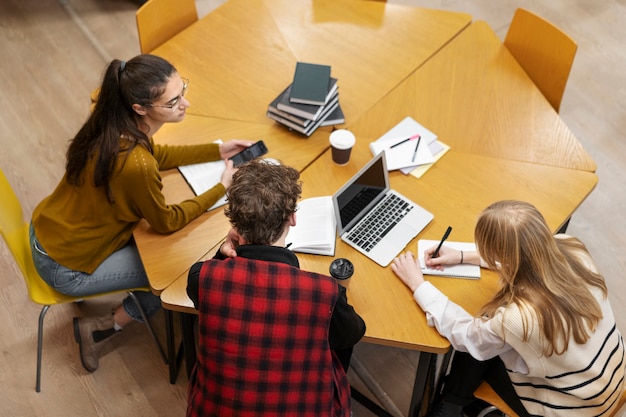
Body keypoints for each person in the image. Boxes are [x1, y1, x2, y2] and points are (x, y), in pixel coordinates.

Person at [30, 54, 253, 373]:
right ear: (140, 108)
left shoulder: (109, 120)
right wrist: (222, 189)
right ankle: (99, 328)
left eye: (183, 90)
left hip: (49, 231)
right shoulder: (135, 164)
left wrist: (216, 150)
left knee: (160, 256)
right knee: (169, 274)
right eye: (173, 101)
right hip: (66, 266)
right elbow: (166, 221)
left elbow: (153, 154)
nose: (185, 104)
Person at [391, 200, 625, 417]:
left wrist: (418, 284)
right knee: (492, 338)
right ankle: (456, 402)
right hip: (610, 378)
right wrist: (462, 256)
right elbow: (526, 258)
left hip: (573, 407)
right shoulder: (572, 248)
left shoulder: (518, 318)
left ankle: (451, 405)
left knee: (476, 349)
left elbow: (466, 336)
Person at [186, 159, 366, 417]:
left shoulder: (201, 276)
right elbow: (352, 334)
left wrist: (223, 254)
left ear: (235, 223)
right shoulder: (324, 291)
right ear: (292, 218)